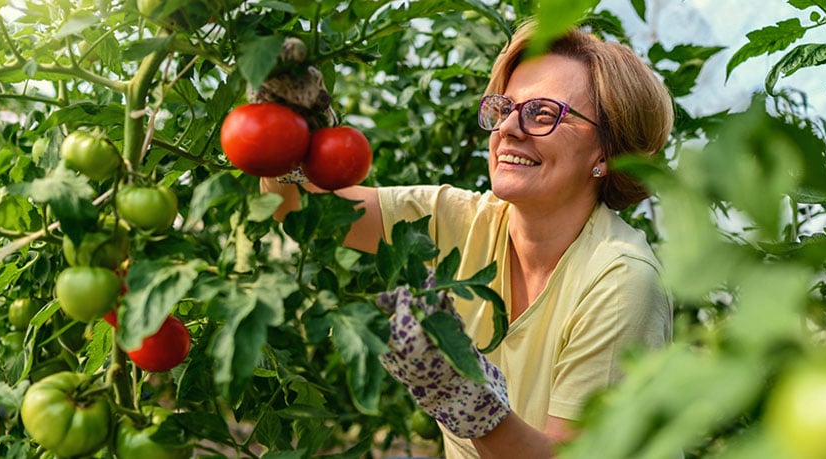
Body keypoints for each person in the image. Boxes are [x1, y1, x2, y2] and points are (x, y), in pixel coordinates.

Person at [261, 19, 674, 459]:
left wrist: (467, 400)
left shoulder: (620, 283)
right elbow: (300, 206)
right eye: (504, 108)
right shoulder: (460, 220)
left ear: (606, 154)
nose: (509, 129)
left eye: (544, 114)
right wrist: (292, 129)